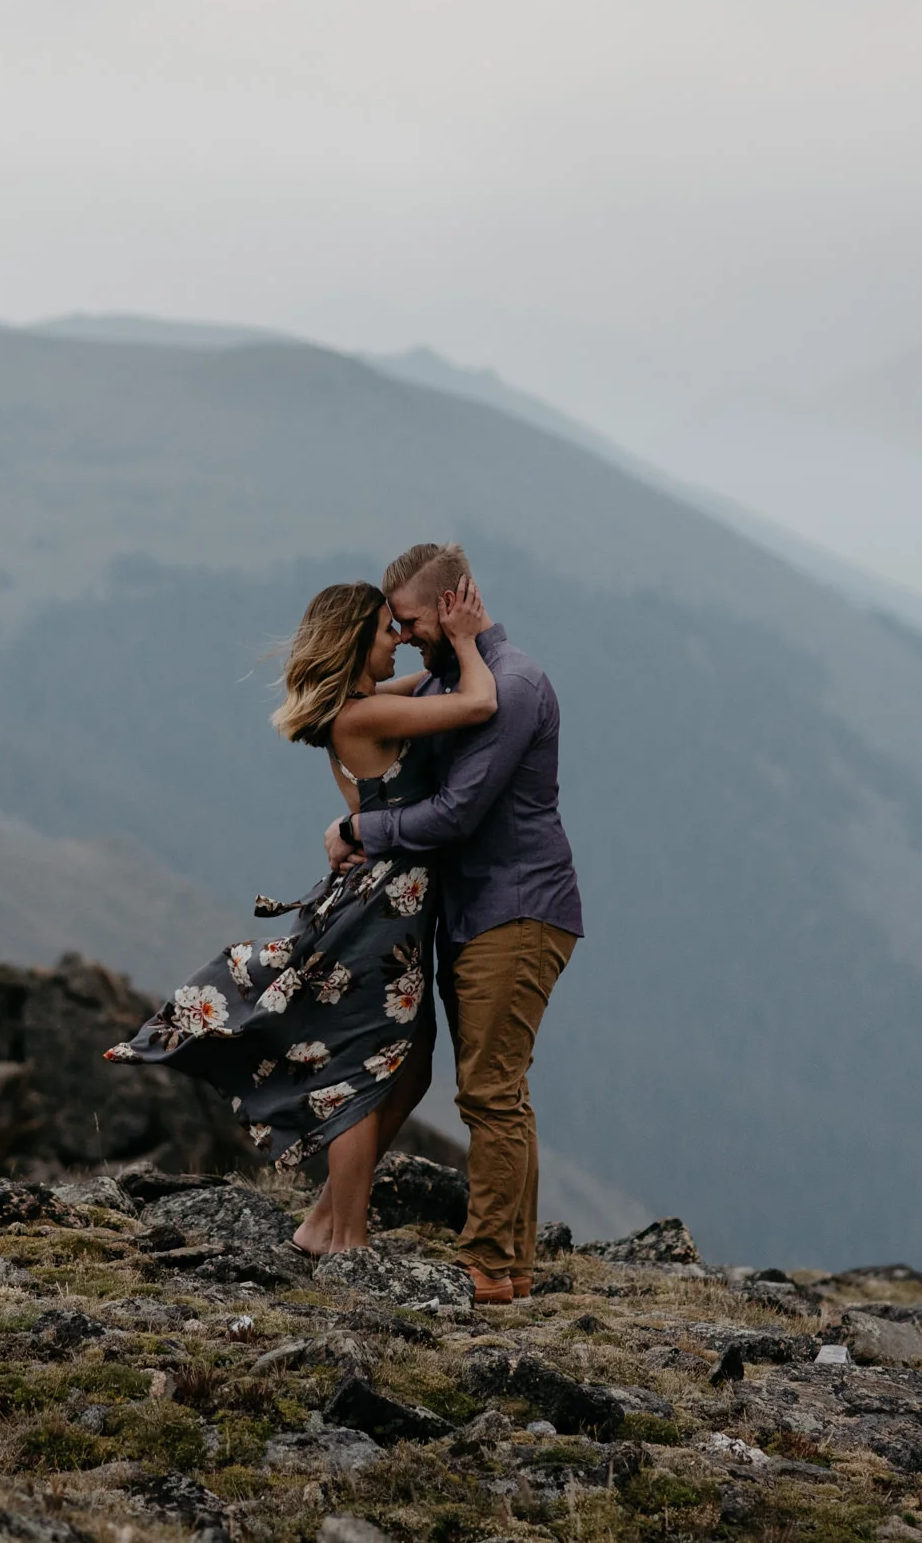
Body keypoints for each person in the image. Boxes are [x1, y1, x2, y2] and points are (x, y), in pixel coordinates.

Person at [107, 574, 500, 1256]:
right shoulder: (359, 716)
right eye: (387, 632)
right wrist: (467, 640)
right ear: (355, 641)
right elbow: (477, 703)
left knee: (409, 1069)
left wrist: (445, 650)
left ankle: (323, 1219)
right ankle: (345, 1236)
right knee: (363, 1069)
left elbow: (434, 691)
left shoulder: (360, 705)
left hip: (392, 914)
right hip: (381, 915)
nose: (398, 645)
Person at [322, 543, 582, 1307]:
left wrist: (360, 835)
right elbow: (369, 708)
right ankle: (511, 1266)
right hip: (476, 910)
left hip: (518, 906)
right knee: (501, 1090)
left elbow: (459, 811)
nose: (402, 635)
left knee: (490, 1091)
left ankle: (485, 1267)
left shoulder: (513, 684)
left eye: (408, 620)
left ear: (449, 605)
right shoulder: (450, 675)